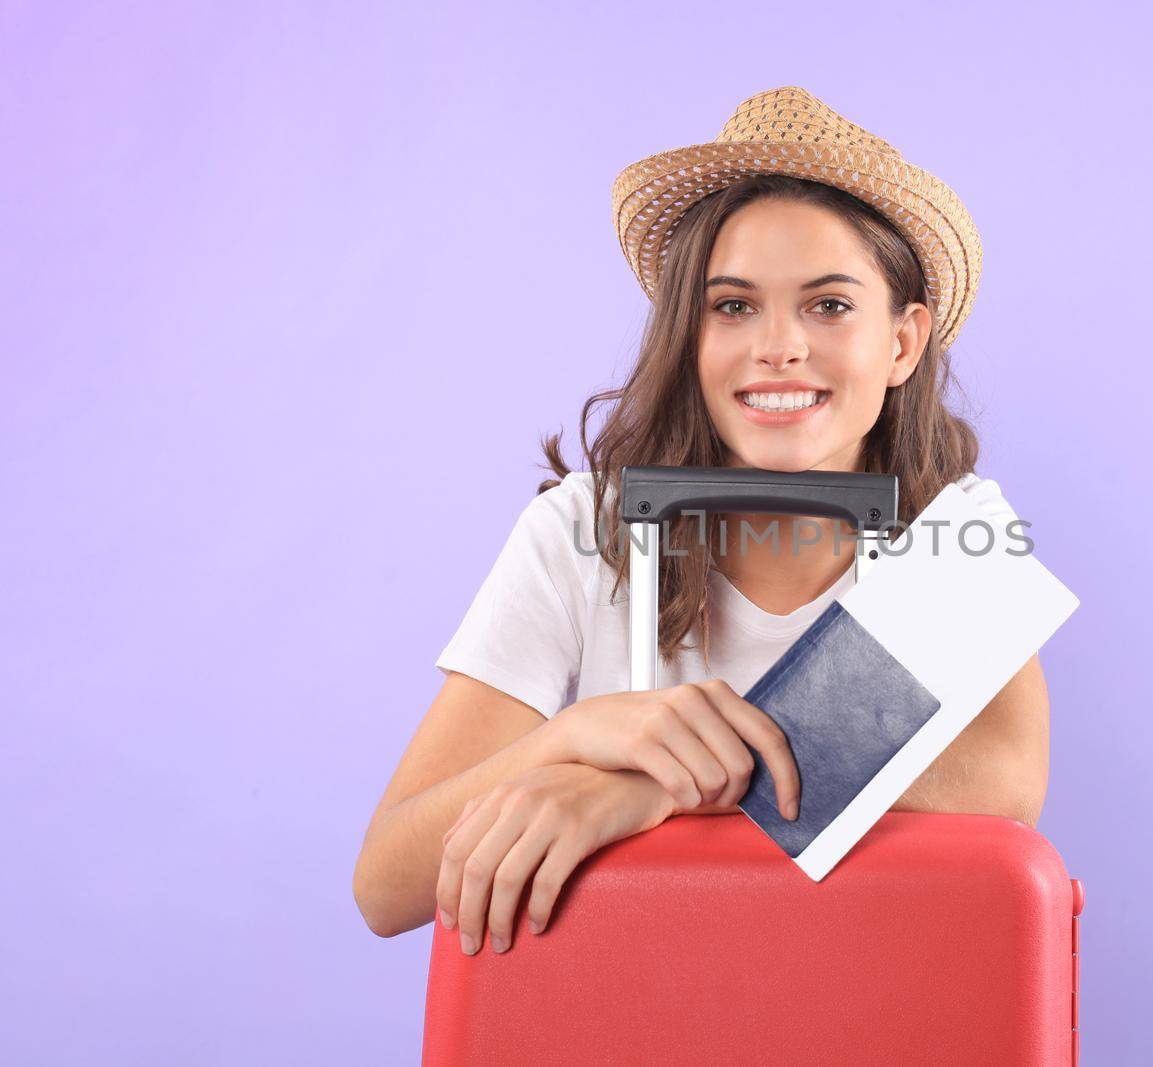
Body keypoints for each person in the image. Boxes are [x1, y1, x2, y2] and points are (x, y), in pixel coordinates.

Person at [352, 86, 1052, 957]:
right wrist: (573, 741)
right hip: (635, 995)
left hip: (859, 996)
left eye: (829, 305)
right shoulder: (584, 530)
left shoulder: (958, 536)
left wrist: (653, 789)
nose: (779, 345)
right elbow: (387, 883)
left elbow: (1005, 783)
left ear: (902, 343)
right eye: (733, 306)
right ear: (691, 335)